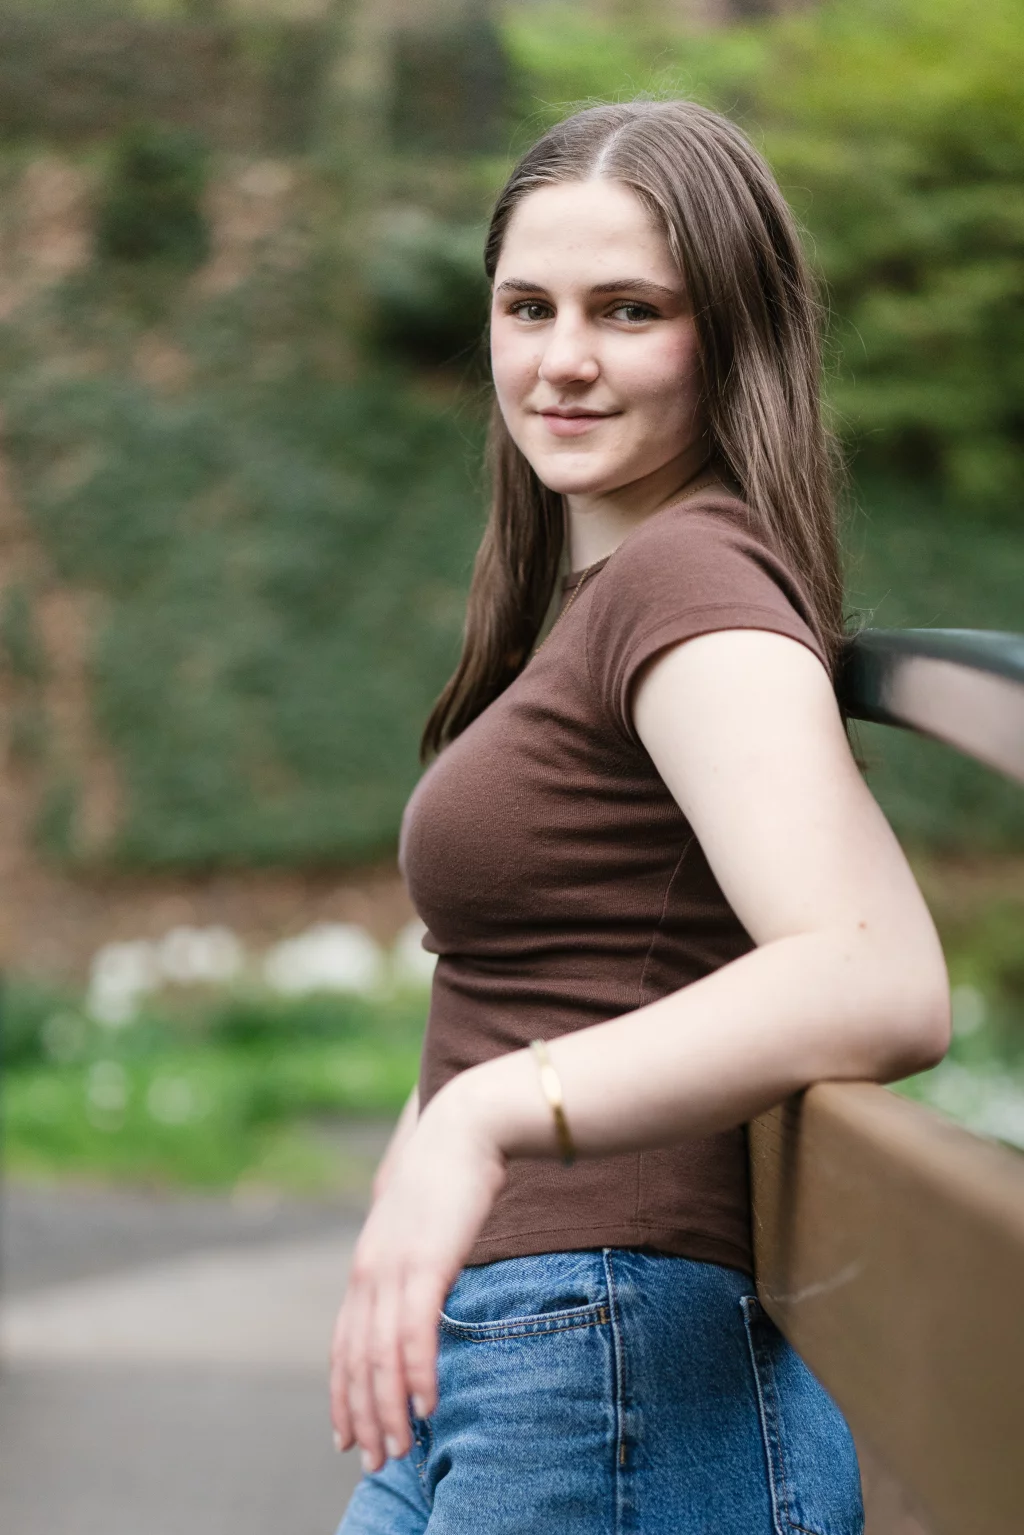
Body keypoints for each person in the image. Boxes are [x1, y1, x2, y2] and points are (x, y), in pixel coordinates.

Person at [329, 99, 950, 1534]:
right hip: (514, 1348)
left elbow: (875, 969)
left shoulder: (692, 588)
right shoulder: (614, 598)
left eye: (628, 310)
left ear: (727, 334)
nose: (561, 359)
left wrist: (485, 1116)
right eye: (527, 305)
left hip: (603, 1354)